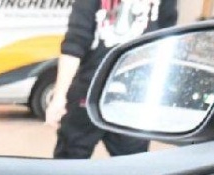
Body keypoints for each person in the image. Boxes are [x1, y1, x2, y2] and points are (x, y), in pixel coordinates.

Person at [46, 0, 178, 159]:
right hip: (92, 91)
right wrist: (59, 97)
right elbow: (74, 44)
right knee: (72, 159)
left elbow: (165, 40)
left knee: (131, 164)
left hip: (132, 95)